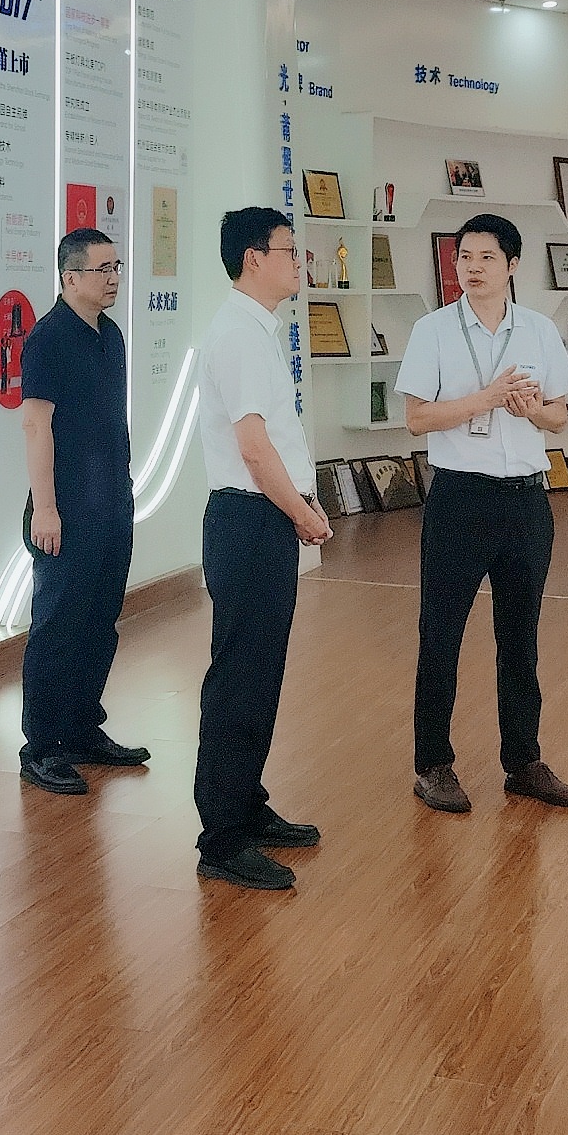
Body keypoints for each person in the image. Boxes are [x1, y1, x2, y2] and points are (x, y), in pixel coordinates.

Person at [396, 213, 568, 815]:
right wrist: (487, 399)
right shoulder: (432, 330)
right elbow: (417, 418)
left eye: (486, 257)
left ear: (512, 265)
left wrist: (531, 409)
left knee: (520, 637)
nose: (472, 268)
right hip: (459, 499)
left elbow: (560, 417)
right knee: (441, 636)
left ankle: (524, 762)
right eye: (464, 257)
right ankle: (433, 765)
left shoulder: (539, 331)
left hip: (526, 501)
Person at [189, 207, 333, 890]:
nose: (298, 262)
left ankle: (245, 806)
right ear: (254, 258)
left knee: (258, 676)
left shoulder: (254, 330)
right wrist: (301, 511)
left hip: (259, 519)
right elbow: (253, 447)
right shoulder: (240, 336)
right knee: (240, 681)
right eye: (288, 250)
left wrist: (299, 505)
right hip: (250, 522)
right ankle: (221, 839)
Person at [18, 227, 146, 795]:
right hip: (65, 510)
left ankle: (81, 729)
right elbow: (35, 424)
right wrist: (45, 508)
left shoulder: (110, 334)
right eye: (103, 269)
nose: (114, 278)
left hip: (111, 502)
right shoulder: (48, 338)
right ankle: (42, 747)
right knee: (58, 627)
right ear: (70, 278)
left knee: (99, 621)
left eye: (117, 267)